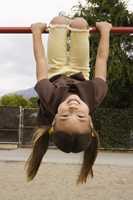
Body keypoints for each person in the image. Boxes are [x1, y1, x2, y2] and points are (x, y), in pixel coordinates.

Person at [26, 16, 112, 184]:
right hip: (80, 70)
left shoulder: (49, 99)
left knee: (58, 21)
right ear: (91, 122)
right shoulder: (95, 96)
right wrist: (105, 32)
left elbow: (41, 61)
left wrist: (36, 33)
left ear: (53, 121)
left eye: (65, 116)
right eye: (80, 117)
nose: (73, 109)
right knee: (79, 23)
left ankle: (59, 26)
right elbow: (102, 59)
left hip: (55, 69)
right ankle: (76, 27)